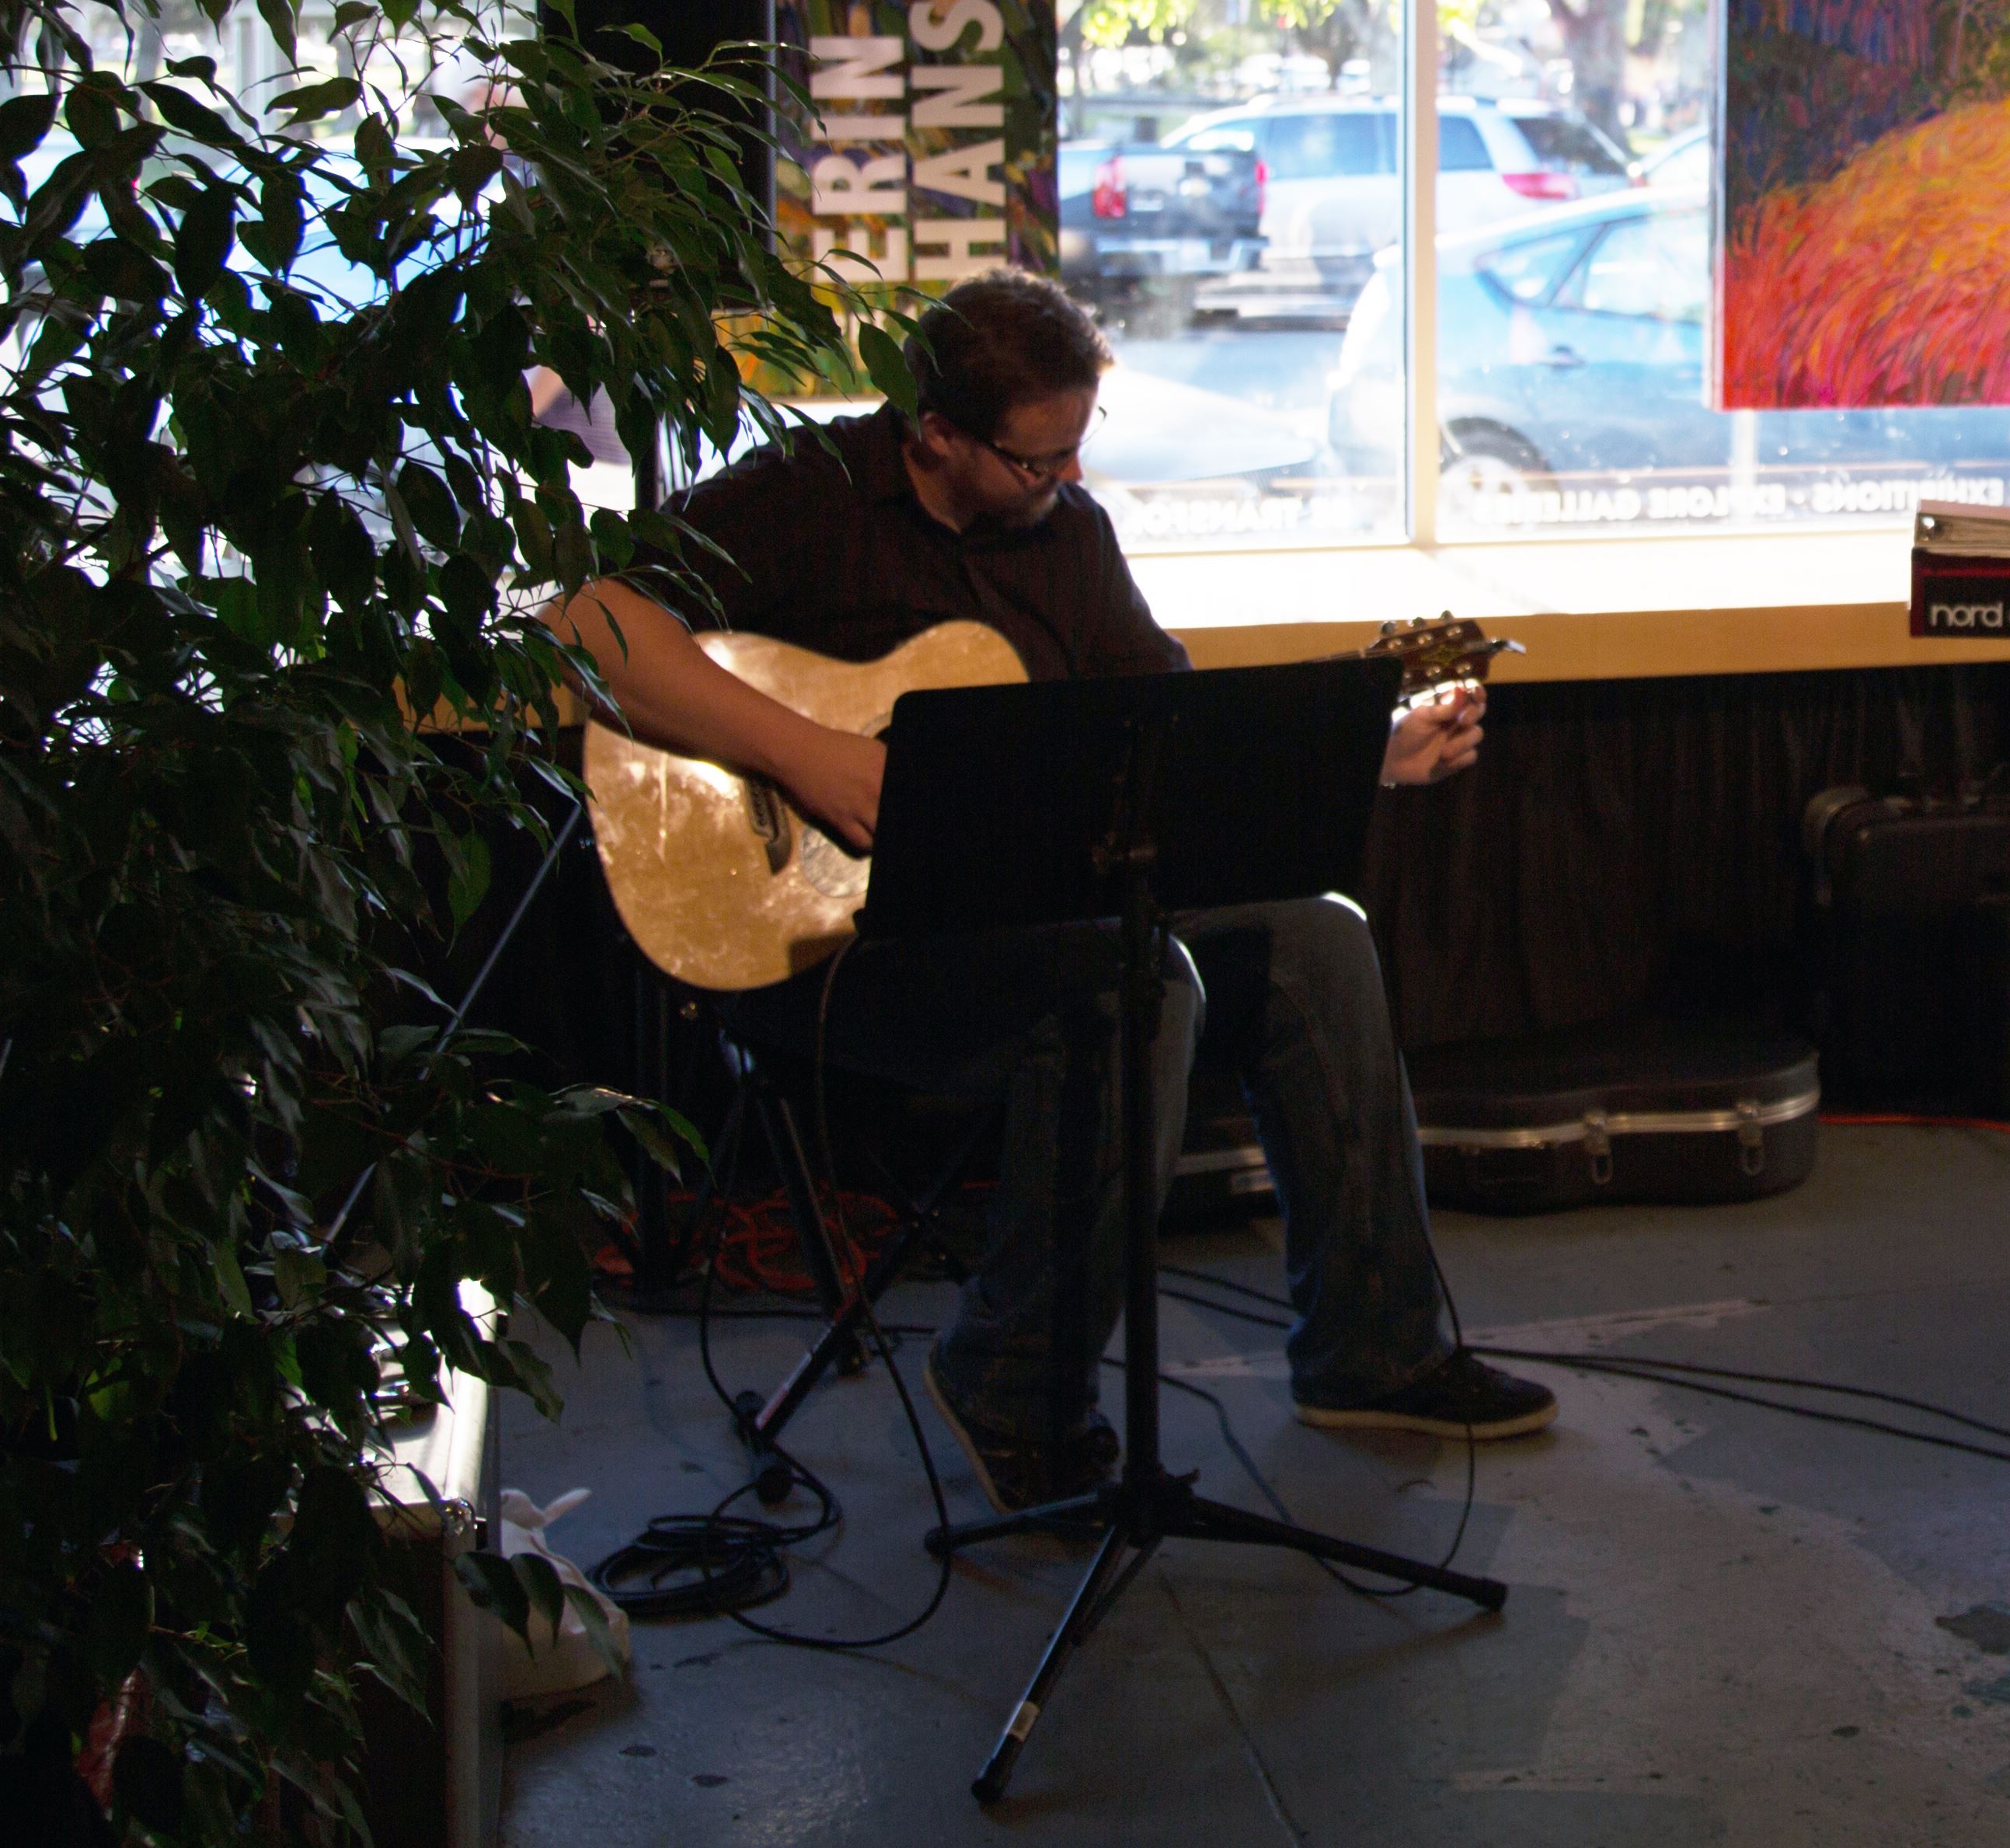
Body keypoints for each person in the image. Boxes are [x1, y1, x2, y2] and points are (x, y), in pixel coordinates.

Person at [549, 273, 1555, 1508]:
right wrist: (809, 754)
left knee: (1317, 939)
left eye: (1081, 449)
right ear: (937, 437)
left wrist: (1365, 759)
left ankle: (1375, 1349)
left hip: (1025, 921)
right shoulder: (810, 495)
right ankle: (1012, 1384)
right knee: (1132, 986)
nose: (1066, 482)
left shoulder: (1068, 538)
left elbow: (1169, 753)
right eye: (1037, 461)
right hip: (822, 946)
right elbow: (590, 621)